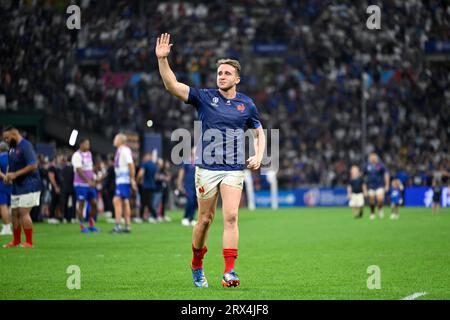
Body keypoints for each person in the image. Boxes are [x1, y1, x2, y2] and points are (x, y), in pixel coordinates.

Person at [156, 33, 265, 288]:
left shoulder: (246, 104)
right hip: (206, 167)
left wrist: (258, 156)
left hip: (234, 169)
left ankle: (229, 272)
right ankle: (196, 263)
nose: (222, 76)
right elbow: (172, 85)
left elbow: (260, 132)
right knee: (205, 220)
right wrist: (163, 60)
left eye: (227, 73)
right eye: (219, 73)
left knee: (231, 217)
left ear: (237, 78)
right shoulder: (204, 97)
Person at [2, 126, 41, 248]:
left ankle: (29, 242)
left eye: (7, 138)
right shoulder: (12, 148)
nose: (6, 141)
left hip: (29, 184)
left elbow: (33, 165)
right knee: (14, 213)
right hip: (17, 185)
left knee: (23, 212)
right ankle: (16, 241)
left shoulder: (26, 146)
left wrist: (15, 174)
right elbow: (11, 166)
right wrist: (8, 176)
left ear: (14, 134)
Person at [111, 133, 137, 233]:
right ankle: (127, 226)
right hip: (121, 180)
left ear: (121, 140)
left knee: (116, 200)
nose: (114, 140)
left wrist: (132, 179)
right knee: (125, 202)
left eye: (116, 138)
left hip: (123, 180)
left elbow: (131, 165)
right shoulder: (120, 150)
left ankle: (118, 225)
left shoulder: (125, 150)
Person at [71, 138, 98, 233]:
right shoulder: (76, 155)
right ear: (81, 144)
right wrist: (88, 181)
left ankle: (91, 224)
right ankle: (82, 226)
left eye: (88, 143)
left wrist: (94, 178)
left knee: (94, 204)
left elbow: (90, 168)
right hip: (80, 184)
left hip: (89, 184)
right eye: (86, 143)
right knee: (81, 204)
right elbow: (79, 170)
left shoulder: (89, 154)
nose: (88, 145)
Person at [363, 153, 390, 221]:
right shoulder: (367, 166)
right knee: (371, 199)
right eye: (372, 157)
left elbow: (386, 174)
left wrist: (387, 184)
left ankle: (380, 209)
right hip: (370, 185)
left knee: (380, 199)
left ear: (377, 158)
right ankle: (372, 213)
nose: (373, 158)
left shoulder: (380, 165)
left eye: (374, 157)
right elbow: (363, 177)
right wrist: (364, 188)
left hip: (379, 185)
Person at [136, 152, 158, 223]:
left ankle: (144, 217)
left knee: (144, 202)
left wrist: (137, 180)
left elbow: (140, 173)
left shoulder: (145, 164)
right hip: (152, 185)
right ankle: (153, 216)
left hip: (146, 186)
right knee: (148, 202)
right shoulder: (154, 165)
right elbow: (156, 176)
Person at [178, 147, 197, 226]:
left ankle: (192, 218)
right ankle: (186, 217)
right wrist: (179, 184)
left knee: (195, 202)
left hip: (196, 185)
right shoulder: (187, 161)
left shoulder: (199, 162)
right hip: (188, 185)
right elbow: (181, 173)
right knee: (190, 201)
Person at [48, 154, 64, 224]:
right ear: (55, 159)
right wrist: (56, 187)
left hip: (59, 187)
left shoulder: (59, 167)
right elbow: (51, 178)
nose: (61, 160)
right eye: (59, 158)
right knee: (53, 202)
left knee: (57, 202)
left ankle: (56, 216)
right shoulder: (52, 167)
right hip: (54, 187)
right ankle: (51, 217)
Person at [0, 142, 12, 235]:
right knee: (9, 207)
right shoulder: (12, 157)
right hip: (12, 184)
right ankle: (9, 227)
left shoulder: (0, 157)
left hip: (2, 184)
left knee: (3, 206)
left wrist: (5, 177)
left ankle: (6, 228)